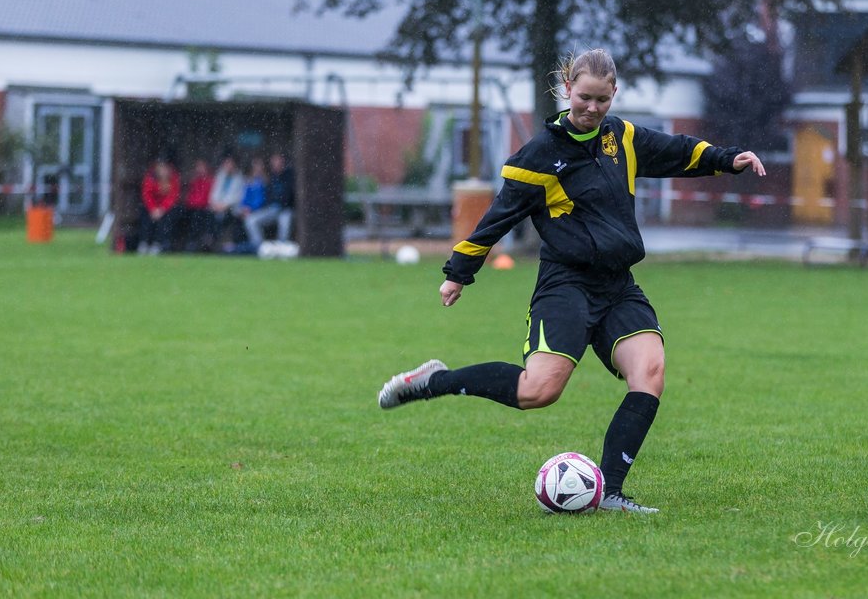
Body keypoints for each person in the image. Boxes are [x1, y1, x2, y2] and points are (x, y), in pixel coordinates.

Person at [376, 48, 766, 512]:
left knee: (651, 373)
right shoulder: (540, 155)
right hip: (566, 286)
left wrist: (728, 159)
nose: (593, 109)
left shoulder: (621, 137)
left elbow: (677, 150)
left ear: (614, 94)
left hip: (618, 285)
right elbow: (496, 218)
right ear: (567, 90)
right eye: (584, 98)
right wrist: (458, 273)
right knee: (539, 391)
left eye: (602, 99)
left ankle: (612, 492)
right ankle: (433, 381)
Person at [245, 151, 295, 245]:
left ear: (282, 161)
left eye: (278, 161)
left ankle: (281, 248)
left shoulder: (289, 176)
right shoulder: (271, 178)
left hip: (285, 210)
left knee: (284, 222)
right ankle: (260, 248)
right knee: (251, 220)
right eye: (274, 161)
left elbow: (289, 196)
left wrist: (281, 205)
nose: (276, 164)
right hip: (271, 210)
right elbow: (266, 197)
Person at [137, 157, 181, 254]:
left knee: (167, 219)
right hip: (151, 208)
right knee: (145, 217)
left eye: (165, 168)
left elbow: (173, 196)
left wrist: (162, 209)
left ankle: (158, 243)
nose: (163, 170)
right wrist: (153, 209)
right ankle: (144, 242)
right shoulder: (150, 178)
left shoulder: (174, 178)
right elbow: (146, 194)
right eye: (161, 167)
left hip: (165, 209)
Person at [208, 154, 246, 251]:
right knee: (206, 216)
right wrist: (215, 204)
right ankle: (209, 242)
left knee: (226, 218)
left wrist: (224, 205)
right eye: (226, 163)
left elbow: (238, 197)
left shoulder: (239, 178)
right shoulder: (220, 176)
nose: (228, 166)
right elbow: (213, 193)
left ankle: (226, 244)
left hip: (232, 209)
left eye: (230, 164)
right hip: (217, 207)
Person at [181, 158, 214, 251]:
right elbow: (190, 196)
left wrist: (197, 204)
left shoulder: (209, 180)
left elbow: (206, 197)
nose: (199, 169)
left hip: (203, 208)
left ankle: (198, 243)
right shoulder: (194, 180)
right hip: (192, 208)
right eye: (198, 166)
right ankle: (191, 242)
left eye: (201, 166)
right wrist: (192, 204)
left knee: (199, 217)